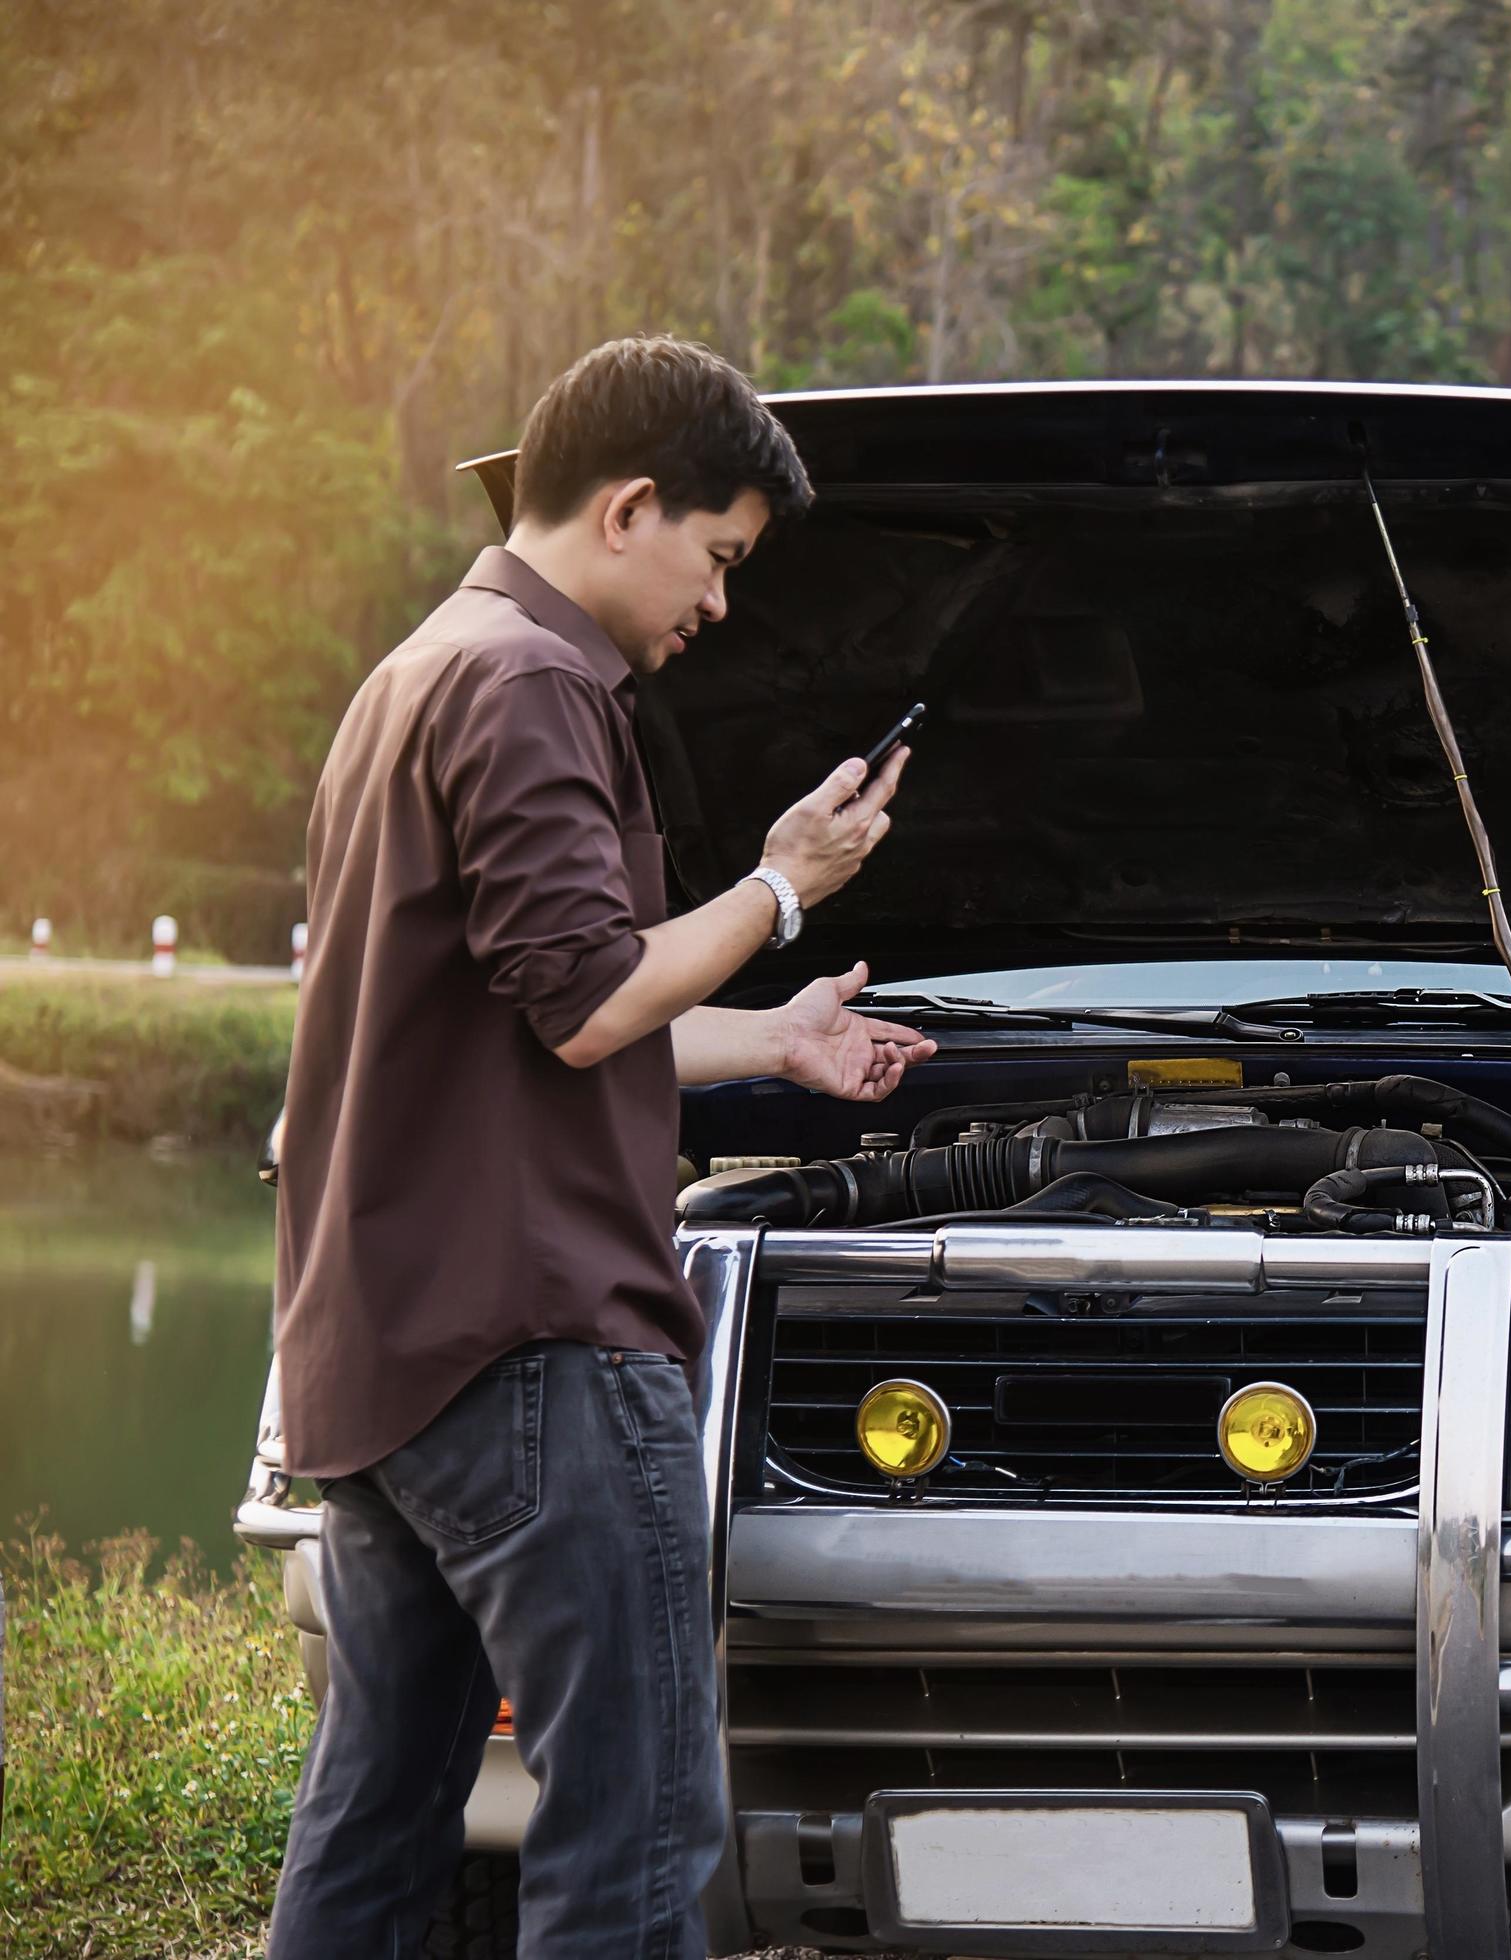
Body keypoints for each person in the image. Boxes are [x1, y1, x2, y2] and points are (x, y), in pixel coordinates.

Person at [264, 335, 935, 1957]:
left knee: (376, 1824)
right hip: (534, 1347)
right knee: (632, 1839)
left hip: (390, 1355)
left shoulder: (423, 667)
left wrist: (776, 1035)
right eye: (718, 560)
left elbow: (537, 1021)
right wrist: (780, 888)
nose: (719, 607)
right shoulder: (539, 685)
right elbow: (581, 1001)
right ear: (631, 508)